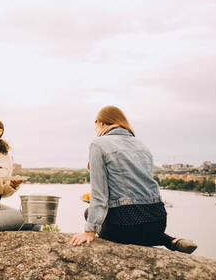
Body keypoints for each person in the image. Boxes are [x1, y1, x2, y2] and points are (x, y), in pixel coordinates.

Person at [71, 106, 197, 254]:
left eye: (96, 127)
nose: (97, 132)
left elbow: (99, 195)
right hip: (157, 221)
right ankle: (171, 241)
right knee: (143, 228)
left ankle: (170, 241)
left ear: (102, 124)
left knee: (88, 213)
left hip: (124, 226)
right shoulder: (142, 146)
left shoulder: (98, 144)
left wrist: (89, 231)